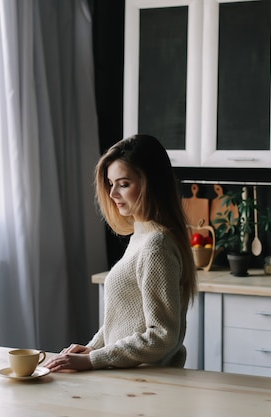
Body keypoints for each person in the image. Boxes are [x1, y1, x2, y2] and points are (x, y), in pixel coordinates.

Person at [45, 134, 197, 372]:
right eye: (111, 183)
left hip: (147, 383)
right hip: (130, 378)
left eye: (124, 184)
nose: (113, 193)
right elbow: (125, 318)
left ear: (152, 183)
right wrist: (93, 348)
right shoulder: (142, 235)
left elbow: (162, 336)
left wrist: (93, 360)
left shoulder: (155, 246)